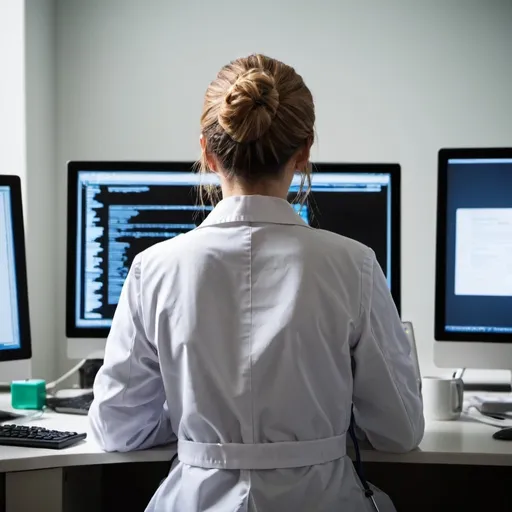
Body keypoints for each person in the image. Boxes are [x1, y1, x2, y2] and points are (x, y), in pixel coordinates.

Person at [89, 54, 424, 511]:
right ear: (305, 151)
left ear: (206, 151)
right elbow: (399, 431)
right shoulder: (355, 266)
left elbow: (116, 430)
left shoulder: (154, 269)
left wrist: (197, 421)